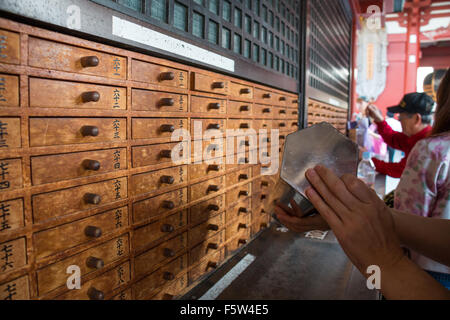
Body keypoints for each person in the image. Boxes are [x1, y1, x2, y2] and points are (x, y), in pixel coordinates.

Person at [365, 92, 434, 178]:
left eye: (401, 118)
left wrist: (367, 160)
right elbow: (393, 139)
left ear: (416, 119)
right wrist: (379, 120)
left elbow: (400, 170)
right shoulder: (414, 136)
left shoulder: (426, 144)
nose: (400, 121)